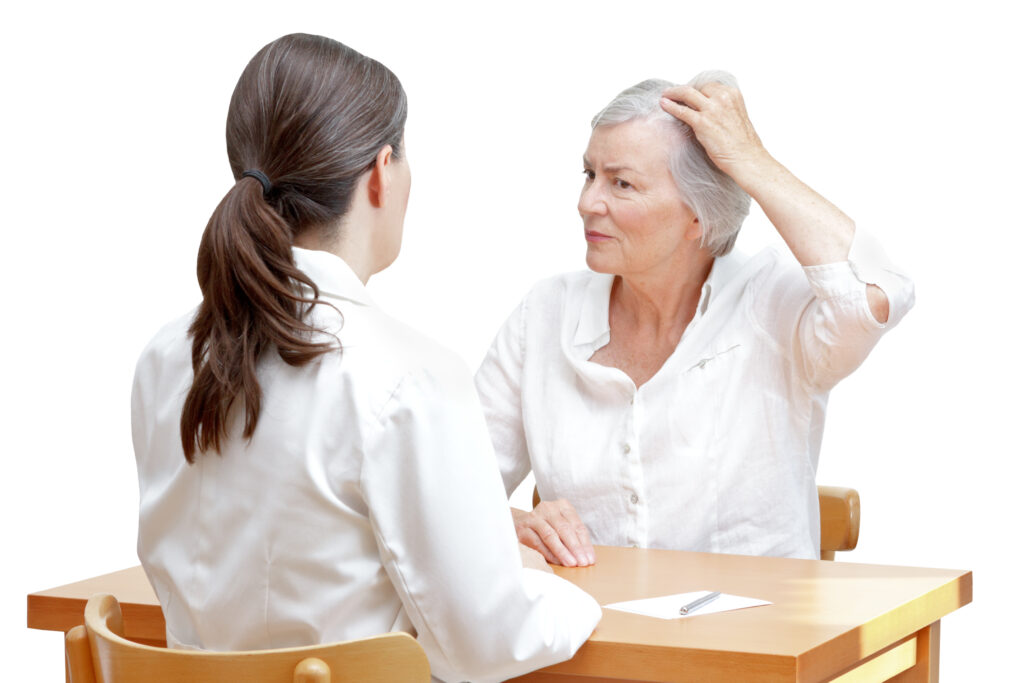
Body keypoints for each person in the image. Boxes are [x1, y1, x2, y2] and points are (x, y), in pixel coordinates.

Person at [131, 34, 600, 683]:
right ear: (382, 171)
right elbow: (487, 640)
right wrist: (581, 601)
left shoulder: (166, 355)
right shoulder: (407, 374)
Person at [474, 72, 915, 565]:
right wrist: (517, 523)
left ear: (697, 218)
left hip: (753, 633)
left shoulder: (772, 303)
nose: (587, 203)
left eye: (621, 183)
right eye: (589, 175)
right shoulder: (545, 313)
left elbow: (873, 296)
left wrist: (750, 160)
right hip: (596, 631)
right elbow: (449, 486)